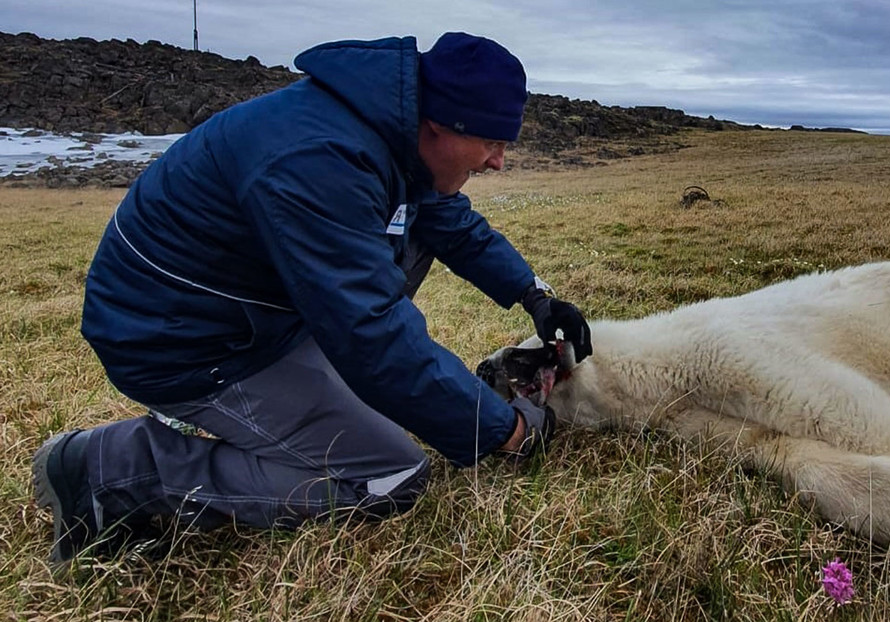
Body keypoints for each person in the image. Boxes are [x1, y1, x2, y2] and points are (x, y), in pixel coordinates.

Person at [31, 32, 593, 564]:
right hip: (182, 340)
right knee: (389, 474)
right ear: (439, 124)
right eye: (492, 141)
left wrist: (536, 296)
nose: (498, 161)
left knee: (413, 249)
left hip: (248, 314)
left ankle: (323, 391)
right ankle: (109, 471)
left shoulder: (391, 136)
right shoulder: (318, 159)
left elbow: (449, 224)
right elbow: (370, 332)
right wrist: (505, 431)